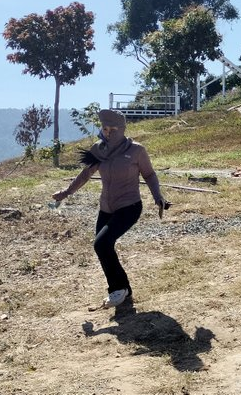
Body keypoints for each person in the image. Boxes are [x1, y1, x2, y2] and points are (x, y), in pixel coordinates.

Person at [52, 109, 169, 308]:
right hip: (106, 207)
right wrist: (66, 192)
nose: (107, 133)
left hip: (129, 206)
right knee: (103, 248)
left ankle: (117, 290)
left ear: (121, 129)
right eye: (104, 129)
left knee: (102, 244)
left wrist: (158, 197)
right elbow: (85, 174)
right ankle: (123, 290)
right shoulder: (99, 149)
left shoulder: (136, 150)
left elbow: (149, 175)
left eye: (111, 129)